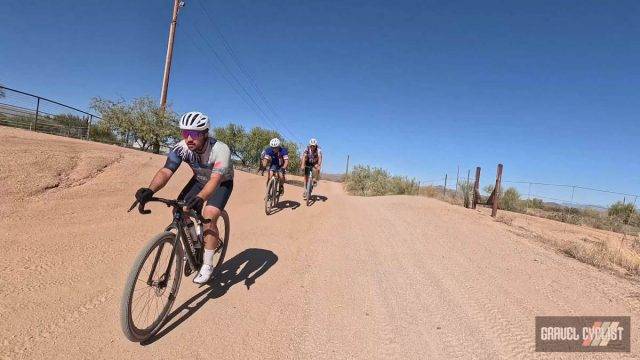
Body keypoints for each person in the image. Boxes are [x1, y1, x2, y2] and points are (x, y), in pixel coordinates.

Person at [134, 111, 234, 284]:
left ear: (205, 134)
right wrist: (150, 191)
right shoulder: (181, 147)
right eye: (185, 133)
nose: (189, 138)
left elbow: (215, 180)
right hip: (200, 179)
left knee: (209, 216)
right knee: (180, 209)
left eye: (194, 134)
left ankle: (208, 264)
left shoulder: (220, 150)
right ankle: (195, 245)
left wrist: (201, 197)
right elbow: (167, 170)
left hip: (220, 183)